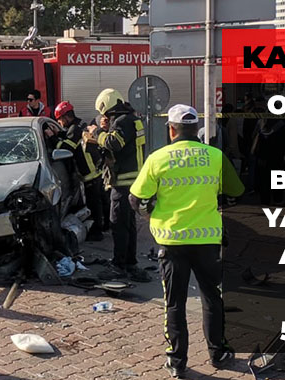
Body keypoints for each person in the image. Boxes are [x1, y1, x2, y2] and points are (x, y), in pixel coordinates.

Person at [129, 104, 243, 378]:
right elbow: (237, 191)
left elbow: (136, 199)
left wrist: (150, 212)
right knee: (212, 298)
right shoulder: (215, 156)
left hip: (172, 242)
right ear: (196, 129)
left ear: (171, 129)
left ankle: (177, 361)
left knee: (174, 303)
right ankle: (219, 353)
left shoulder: (158, 159)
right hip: (208, 241)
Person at [93, 88, 150, 283]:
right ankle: (130, 263)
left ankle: (119, 266)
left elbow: (114, 143)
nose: (104, 116)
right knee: (129, 224)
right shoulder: (131, 119)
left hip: (124, 181)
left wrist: (98, 132)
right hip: (133, 180)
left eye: (105, 113)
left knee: (118, 223)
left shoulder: (122, 121)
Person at [55, 101, 104, 241]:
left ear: (65, 117)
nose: (60, 123)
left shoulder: (74, 129)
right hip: (94, 168)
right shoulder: (80, 124)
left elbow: (66, 149)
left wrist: (53, 137)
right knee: (99, 201)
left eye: (59, 120)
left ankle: (97, 232)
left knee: (94, 203)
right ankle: (104, 226)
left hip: (89, 172)